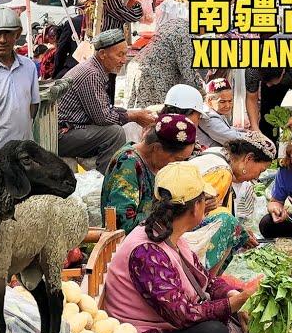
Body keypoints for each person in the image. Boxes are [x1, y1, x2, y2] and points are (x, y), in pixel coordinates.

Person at [103, 161, 261, 333]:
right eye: (204, 200)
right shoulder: (146, 253)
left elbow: (206, 281)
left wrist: (231, 294)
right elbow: (183, 315)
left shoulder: (169, 234)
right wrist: (237, 302)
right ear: (196, 207)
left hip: (171, 326)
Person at [57, 29, 155, 174]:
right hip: (62, 135)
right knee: (114, 133)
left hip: (73, 129)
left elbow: (104, 108)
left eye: (125, 54)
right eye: (119, 55)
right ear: (102, 54)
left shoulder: (95, 70)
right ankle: (107, 179)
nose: (123, 60)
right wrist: (134, 116)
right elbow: (103, 117)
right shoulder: (91, 74)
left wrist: (132, 113)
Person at [190, 131, 276, 273]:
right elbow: (212, 220)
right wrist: (238, 233)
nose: (257, 177)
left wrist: (240, 230)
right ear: (248, 158)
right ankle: (206, 281)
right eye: (260, 170)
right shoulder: (222, 173)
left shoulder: (218, 153)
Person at [101, 113, 196, 235]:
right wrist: (174, 213)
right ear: (156, 148)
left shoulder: (157, 163)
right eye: (178, 159)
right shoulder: (128, 164)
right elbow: (124, 224)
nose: (178, 165)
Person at [0, 7, 40, 158]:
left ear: (17, 34)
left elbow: (33, 106)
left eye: (8, 33)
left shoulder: (28, 66)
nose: (2, 40)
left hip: (22, 155)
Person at [244, 34, 292, 144]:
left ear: (283, 71)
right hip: (274, 70)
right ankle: (268, 153)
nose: (268, 85)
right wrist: (255, 128)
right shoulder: (253, 68)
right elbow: (251, 98)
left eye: (272, 82)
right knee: (267, 118)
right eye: (266, 82)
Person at [126, 18, 206, 109]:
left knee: (135, 112)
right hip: (152, 74)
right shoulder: (188, 35)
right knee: (152, 116)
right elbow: (188, 72)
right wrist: (203, 92)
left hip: (136, 66)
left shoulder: (175, 21)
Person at [197, 78, 245, 148]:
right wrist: (254, 137)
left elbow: (224, 129)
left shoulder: (213, 111)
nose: (227, 106)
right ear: (209, 100)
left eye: (230, 101)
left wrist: (242, 130)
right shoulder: (208, 117)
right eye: (222, 102)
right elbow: (233, 138)